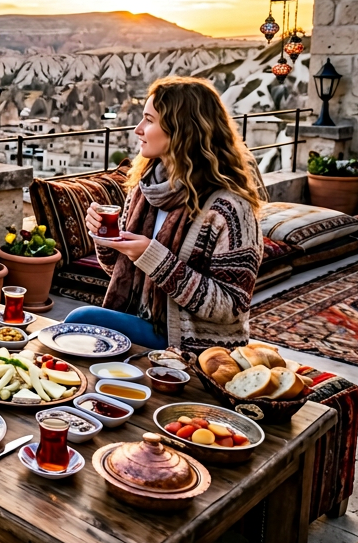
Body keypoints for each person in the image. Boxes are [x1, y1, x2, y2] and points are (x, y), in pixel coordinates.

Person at [64, 76, 265, 351]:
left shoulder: (229, 208)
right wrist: (105, 238)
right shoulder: (146, 188)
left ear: (182, 130)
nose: (138, 130)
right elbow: (119, 272)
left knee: (81, 320)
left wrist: (157, 260)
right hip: (144, 321)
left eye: (149, 120)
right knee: (75, 334)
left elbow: (231, 307)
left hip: (191, 342)